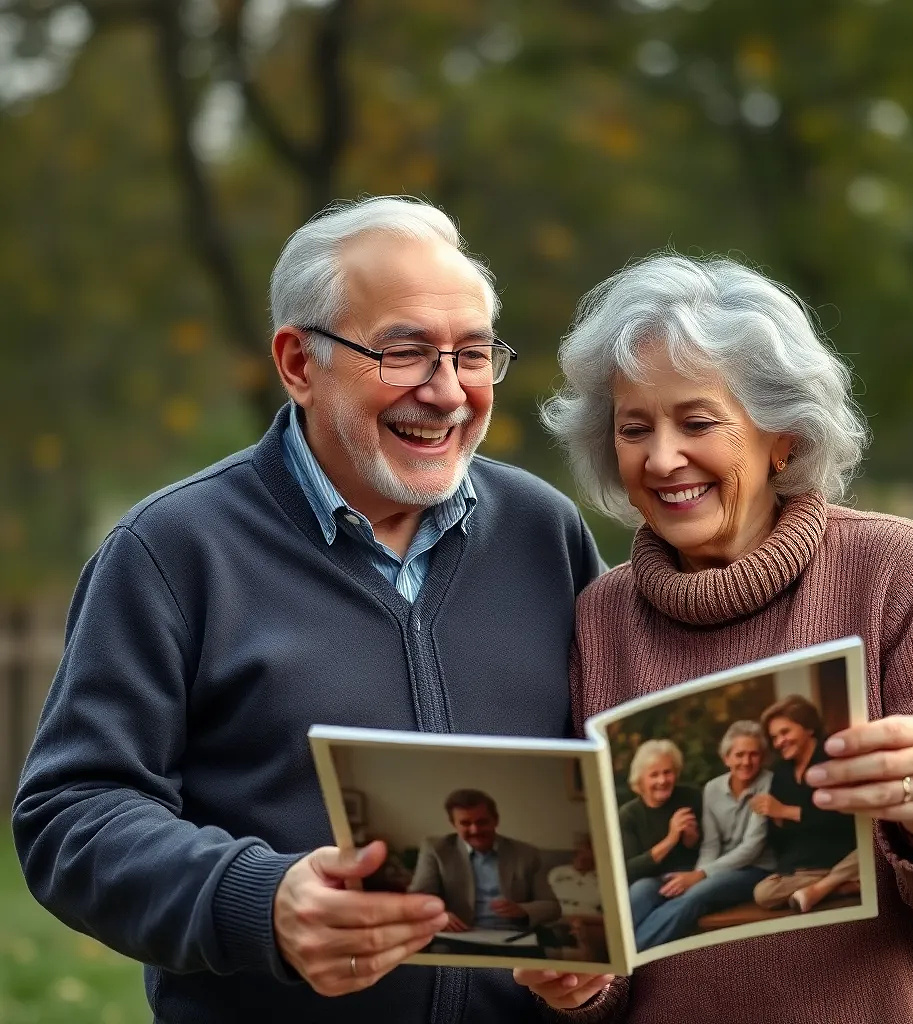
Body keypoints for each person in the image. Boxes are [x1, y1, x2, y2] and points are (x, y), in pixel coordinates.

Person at [12, 196, 603, 1024]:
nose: (447, 392)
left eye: (472, 354)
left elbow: (621, 769)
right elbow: (72, 816)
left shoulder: (544, 531)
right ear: (298, 362)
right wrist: (260, 899)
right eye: (405, 352)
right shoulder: (174, 549)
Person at [515, 252, 913, 1022]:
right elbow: (611, 924)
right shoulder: (601, 617)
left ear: (781, 436)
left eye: (696, 421)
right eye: (633, 428)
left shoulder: (894, 570)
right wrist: (578, 982)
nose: (662, 458)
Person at [631, 720, 775, 951]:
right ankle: (618, 951)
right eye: (739, 755)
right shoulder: (712, 789)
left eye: (753, 754)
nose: (746, 762)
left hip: (755, 870)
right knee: (643, 890)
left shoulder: (769, 784)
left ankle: (633, 956)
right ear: (726, 758)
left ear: (762, 757)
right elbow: (710, 845)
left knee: (695, 895)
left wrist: (700, 876)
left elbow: (752, 848)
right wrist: (696, 876)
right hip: (715, 868)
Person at [750, 696, 859, 914]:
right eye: (774, 737)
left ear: (808, 728)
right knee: (762, 894)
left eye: (785, 732)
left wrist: (785, 811)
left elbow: (844, 820)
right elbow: (777, 837)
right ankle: (840, 886)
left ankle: (822, 888)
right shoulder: (781, 772)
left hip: (844, 853)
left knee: (870, 849)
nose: (779, 742)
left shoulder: (833, 758)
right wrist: (777, 819)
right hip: (806, 867)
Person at [409, 789, 561, 931]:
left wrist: (523, 910)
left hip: (514, 936)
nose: (475, 830)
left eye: (482, 822)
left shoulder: (527, 853)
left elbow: (552, 907)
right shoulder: (436, 849)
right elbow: (417, 899)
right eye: (465, 823)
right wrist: (439, 916)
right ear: (453, 824)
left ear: (495, 820)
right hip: (460, 935)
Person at [617, 739, 702, 937]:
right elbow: (629, 870)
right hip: (650, 880)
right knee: (639, 891)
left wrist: (692, 838)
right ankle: (628, 950)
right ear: (640, 781)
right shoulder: (629, 814)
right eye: (654, 775)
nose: (662, 781)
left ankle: (636, 955)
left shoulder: (690, 797)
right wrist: (671, 838)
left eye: (667, 772)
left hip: (689, 875)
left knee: (685, 904)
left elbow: (707, 848)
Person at [548, 834, 602, 917]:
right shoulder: (558, 872)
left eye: (587, 853)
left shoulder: (600, 878)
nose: (581, 857)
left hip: (586, 916)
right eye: (580, 853)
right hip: (557, 913)